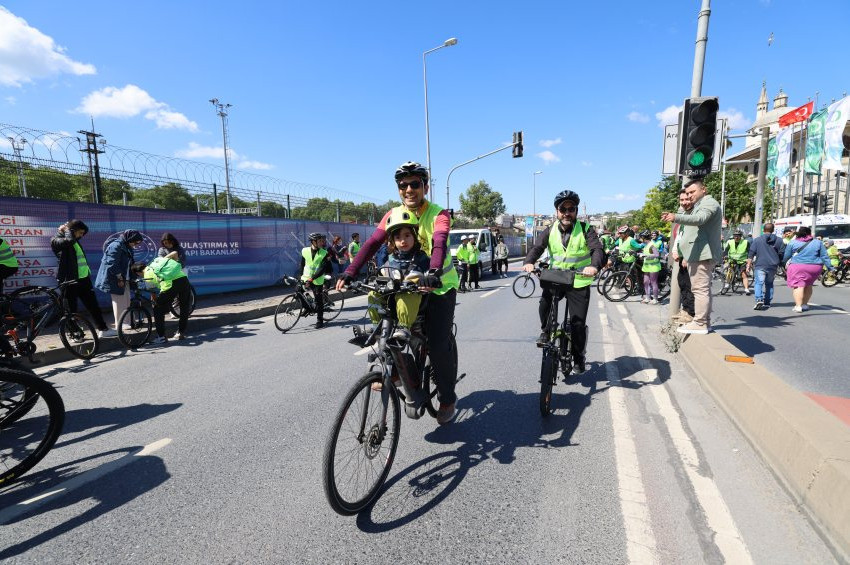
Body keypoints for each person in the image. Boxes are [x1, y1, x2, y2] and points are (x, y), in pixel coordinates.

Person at [337, 161, 459, 424]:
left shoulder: (439, 214)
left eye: (415, 184)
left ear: (425, 186)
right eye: (403, 185)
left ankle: (448, 398)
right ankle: (395, 371)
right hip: (402, 283)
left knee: (438, 345)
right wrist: (350, 271)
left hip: (439, 287)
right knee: (388, 327)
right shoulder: (393, 213)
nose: (409, 190)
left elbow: (439, 243)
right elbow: (371, 243)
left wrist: (434, 272)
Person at [522, 189, 603, 374]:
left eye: (571, 209)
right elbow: (537, 247)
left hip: (579, 281)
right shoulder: (549, 230)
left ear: (576, 211)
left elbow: (597, 249)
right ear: (557, 212)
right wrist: (529, 262)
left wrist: (594, 266)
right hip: (556, 279)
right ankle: (546, 330)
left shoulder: (585, 229)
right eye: (563, 209)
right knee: (544, 304)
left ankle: (579, 356)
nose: (567, 213)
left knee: (577, 324)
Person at [661, 177, 722, 335]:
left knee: (699, 289)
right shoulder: (698, 205)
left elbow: (699, 219)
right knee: (701, 289)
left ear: (704, 189)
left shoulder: (709, 203)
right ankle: (704, 322)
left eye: (692, 192)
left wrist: (676, 216)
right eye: (687, 193)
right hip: (698, 253)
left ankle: (700, 322)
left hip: (702, 253)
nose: (689, 196)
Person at [367, 208, 431, 343]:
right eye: (398, 237)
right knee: (373, 295)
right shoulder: (390, 259)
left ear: (414, 236)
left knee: (404, 297)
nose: (403, 240)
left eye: (407, 235)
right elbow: (382, 272)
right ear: (392, 241)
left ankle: (404, 327)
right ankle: (376, 326)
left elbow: (431, 272)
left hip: (414, 299)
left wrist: (429, 278)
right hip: (391, 299)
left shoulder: (421, 258)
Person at [50, 219, 113, 338]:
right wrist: (68, 230)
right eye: (80, 233)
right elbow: (68, 241)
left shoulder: (75, 240)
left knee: (93, 306)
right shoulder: (56, 241)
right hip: (69, 280)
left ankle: (103, 330)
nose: (82, 236)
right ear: (72, 230)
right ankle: (75, 334)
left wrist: (71, 233)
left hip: (84, 279)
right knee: (70, 311)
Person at [134, 255, 192, 343]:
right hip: (183, 279)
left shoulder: (147, 275)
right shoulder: (154, 264)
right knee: (184, 307)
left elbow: (153, 293)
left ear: (138, 272)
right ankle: (181, 333)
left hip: (171, 285)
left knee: (158, 309)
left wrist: (156, 303)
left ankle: (161, 337)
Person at [95, 230, 144, 332]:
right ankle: (121, 324)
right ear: (129, 239)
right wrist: (119, 277)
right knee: (119, 301)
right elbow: (111, 263)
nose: (135, 245)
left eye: (137, 243)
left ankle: (128, 322)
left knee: (126, 300)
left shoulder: (127, 246)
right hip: (115, 278)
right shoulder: (116, 246)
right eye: (134, 242)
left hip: (124, 277)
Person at [783, 226, 834, 313]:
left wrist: (783, 263)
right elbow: (824, 256)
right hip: (815, 267)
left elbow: (786, 256)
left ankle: (798, 306)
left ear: (798, 233)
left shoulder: (792, 243)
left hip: (798, 266)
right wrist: (830, 267)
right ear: (810, 233)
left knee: (798, 285)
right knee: (808, 284)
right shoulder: (818, 242)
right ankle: (805, 304)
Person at [670, 189, 696, 324]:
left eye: (687, 199)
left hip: (690, 257)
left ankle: (690, 313)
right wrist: (675, 250)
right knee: (683, 283)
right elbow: (680, 237)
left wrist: (687, 256)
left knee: (690, 285)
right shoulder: (683, 215)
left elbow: (694, 238)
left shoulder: (694, 215)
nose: (684, 202)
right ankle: (686, 311)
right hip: (682, 256)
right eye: (681, 200)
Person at [746, 223, 785, 311]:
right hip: (773, 266)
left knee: (759, 283)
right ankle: (767, 302)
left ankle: (759, 299)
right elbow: (782, 254)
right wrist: (780, 263)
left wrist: (748, 265)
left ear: (763, 229)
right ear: (773, 230)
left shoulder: (757, 240)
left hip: (760, 265)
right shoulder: (779, 240)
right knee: (769, 284)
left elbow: (751, 253)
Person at [300, 233, 332, 329]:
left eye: (321, 241)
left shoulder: (324, 253)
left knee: (318, 300)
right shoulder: (305, 251)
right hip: (306, 277)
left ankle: (320, 320)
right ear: (313, 242)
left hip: (317, 279)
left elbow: (322, 269)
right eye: (319, 241)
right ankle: (307, 307)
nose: (321, 242)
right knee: (298, 291)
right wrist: (300, 276)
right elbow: (302, 264)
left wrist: (312, 279)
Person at [722, 229, 751, 295]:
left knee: (744, 274)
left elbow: (749, 252)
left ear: (741, 236)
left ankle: (746, 289)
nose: (736, 237)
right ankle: (727, 283)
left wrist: (749, 259)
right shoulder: (730, 242)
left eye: (738, 236)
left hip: (742, 261)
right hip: (732, 260)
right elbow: (726, 250)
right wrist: (725, 255)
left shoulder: (745, 242)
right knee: (729, 271)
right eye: (735, 236)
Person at [638, 230, 661, 304]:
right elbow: (646, 253)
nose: (640, 239)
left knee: (653, 283)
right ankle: (647, 298)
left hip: (654, 266)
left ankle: (655, 299)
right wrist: (640, 254)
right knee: (645, 282)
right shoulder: (646, 245)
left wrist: (646, 255)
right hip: (647, 266)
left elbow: (657, 255)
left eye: (641, 238)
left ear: (645, 238)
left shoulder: (652, 245)